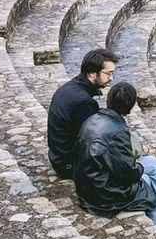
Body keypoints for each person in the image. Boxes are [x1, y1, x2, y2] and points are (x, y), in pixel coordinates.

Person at [73, 82, 156, 226]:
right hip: (103, 196)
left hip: (87, 188)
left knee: (152, 164)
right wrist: (140, 168)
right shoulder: (117, 130)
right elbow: (128, 173)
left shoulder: (92, 119)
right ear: (130, 105)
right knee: (152, 194)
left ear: (109, 99)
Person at [47, 48, 118, 179]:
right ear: (92, 73)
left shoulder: (71, 87)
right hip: (68, 164)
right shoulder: (84, 102)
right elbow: (93, 141)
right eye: (108, 74)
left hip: (58, 156)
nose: (111, 78)